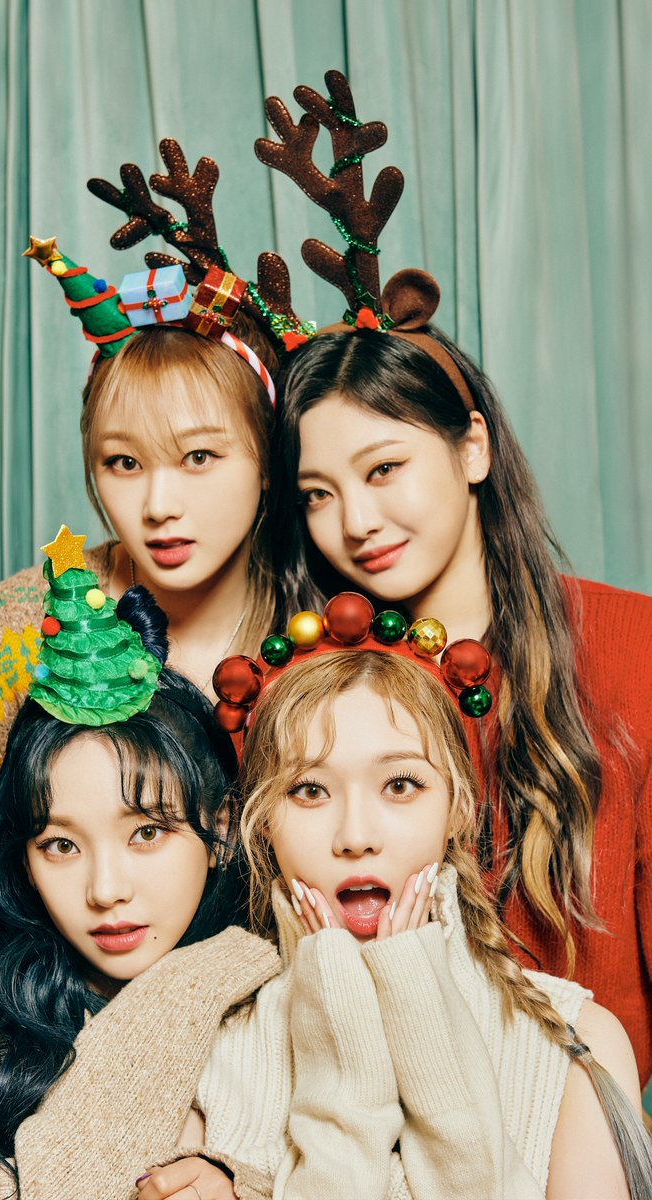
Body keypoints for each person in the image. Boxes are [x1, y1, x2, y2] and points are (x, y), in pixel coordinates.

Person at [258, 69, 652, 1082]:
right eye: (316, 494)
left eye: (384, 469)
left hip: (586, 1122)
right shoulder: (313, 687)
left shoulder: (630, 649)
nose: (355, 523)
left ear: (471, 447)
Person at [0, 135, 307, 950]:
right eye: (123, 463)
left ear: (267, 464)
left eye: (199, 457)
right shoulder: (14, 628)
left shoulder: (319, 626)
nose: (158, 505)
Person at [138, 621, 651, 1200]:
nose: (356, 837)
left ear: (458, 808)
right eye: (310, 790)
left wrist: (420, 1008)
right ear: (261, 825)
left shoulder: (577, 1039)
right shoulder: (197, 1041)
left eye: (401, 785)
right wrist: (343, 1035)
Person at [0, 539, 278, 1200]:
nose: (105, 891)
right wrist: (191, 983)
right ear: (22, 854)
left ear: (220, 830)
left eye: (146, 833)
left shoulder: (277, 999)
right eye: (60, 845)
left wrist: (238, 1184)